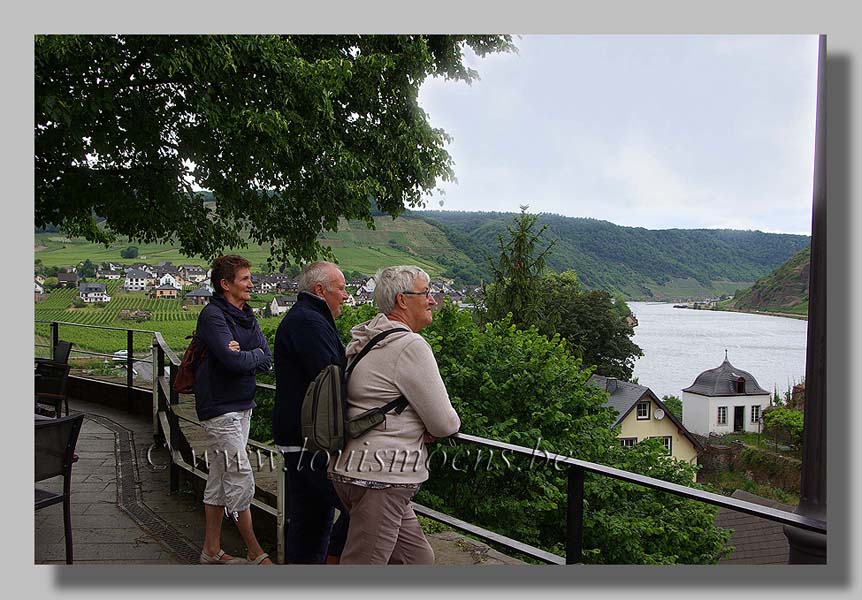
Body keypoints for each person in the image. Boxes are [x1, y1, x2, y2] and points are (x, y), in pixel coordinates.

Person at [328, 265, 460, 564]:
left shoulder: (368, 339)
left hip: (351, 467)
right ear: (403, 300)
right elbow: (444, 422)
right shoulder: (409, 345)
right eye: (426, 292)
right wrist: (432, 426)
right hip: (382, 477)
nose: (433, 300)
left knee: (417, 561)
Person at [194, 254, 273, 565]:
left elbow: (267, 357)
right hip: (219, 408)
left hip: (243, 405)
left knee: (218, 476)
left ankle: (211, 551)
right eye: (244, 279)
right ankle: (255, 551)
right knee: (239, 475)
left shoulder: (246, 316)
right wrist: (247, 356)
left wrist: (247, 354)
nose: (251, 284)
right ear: (225, 284)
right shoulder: (213, 316)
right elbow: (231, 360)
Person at [273, 261, 350, 564]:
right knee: (360, 506)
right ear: (320, 290)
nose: (345, 295)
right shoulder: (309, 322)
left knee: (311, 522)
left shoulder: (305, 318)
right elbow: (332, 374)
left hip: (301, 438)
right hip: (310, 441)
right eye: (341, 288)